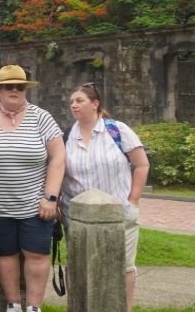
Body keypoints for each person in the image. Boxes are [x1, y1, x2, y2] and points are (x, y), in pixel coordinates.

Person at [0, 66, 65, 312]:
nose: (14, 90)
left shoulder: (42, 117)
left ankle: (33, 308)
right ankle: (13, 306)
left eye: (20, 86)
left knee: (37, 256)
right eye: (8, 86)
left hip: (35, 204)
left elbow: (58, 157)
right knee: (4, 254)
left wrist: (50, 198)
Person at [62, 82, 150, 312]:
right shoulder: (66, 137)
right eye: (72, 102)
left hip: (120, 213)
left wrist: (133, 202)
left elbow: (141, 165)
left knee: (123, 266)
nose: (74, 105)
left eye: (79, 101)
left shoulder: (117, 130)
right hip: (76, 217)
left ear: (95, 104)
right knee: (77, 264)